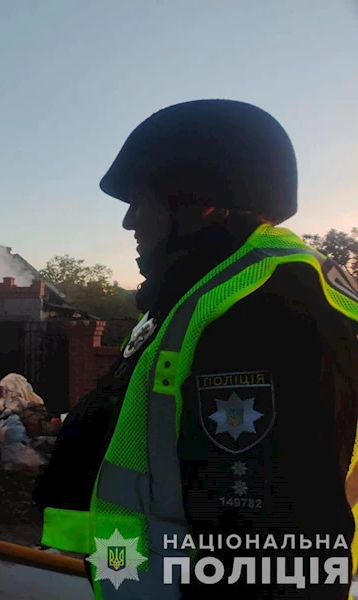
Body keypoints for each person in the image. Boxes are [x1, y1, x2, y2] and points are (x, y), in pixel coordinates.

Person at [33, 99, 358, 599]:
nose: (128, 222)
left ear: (201, 203)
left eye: (141, 201)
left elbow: (274, 542)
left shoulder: (268, 307)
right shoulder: (205, 291)